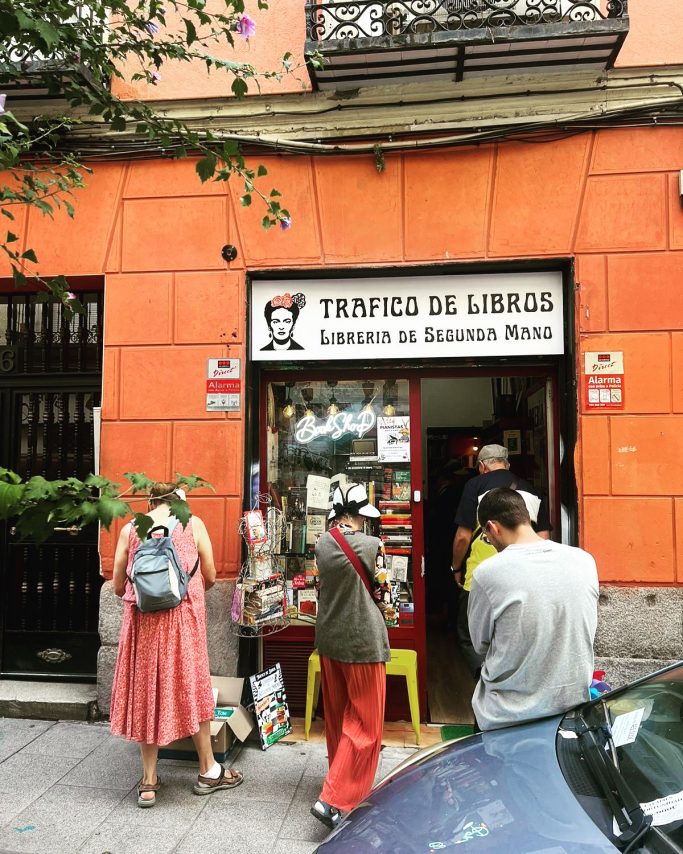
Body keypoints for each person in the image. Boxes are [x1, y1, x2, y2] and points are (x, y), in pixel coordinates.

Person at [110, 482, 243, 806]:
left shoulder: (131, 529)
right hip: (183, 626)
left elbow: (116, 585)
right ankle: (208, 769)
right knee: (192, 688)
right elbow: (210, 575)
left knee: (146, 695)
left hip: (142, 628)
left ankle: (149, 781)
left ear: (150, 502)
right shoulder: (192, 524)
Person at [468, 488, 598, 731]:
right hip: (569, 710)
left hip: (505, 715)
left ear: (493, 527)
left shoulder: (488, 573)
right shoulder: (584, 560)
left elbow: (480, 644)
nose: (491, 542)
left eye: (486, 537)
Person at [311, 482, 390, 830]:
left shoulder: (321, 544)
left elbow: (321, 588)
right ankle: (334, 799)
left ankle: (339, 780)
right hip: (363, 642)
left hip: (330, 639)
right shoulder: (373, 545)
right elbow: (387, 600)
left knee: (338, 718)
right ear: (359, 516)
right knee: (365, 723)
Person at [451, 443, 550, 675]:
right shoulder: (529, 488)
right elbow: (544, 535)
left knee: (470, 635)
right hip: (526, 575)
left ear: (482, 466)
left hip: (479, 575)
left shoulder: (474, 486)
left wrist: (456, 566)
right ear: (507, 464)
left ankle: (484, 678)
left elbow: (463, 537)